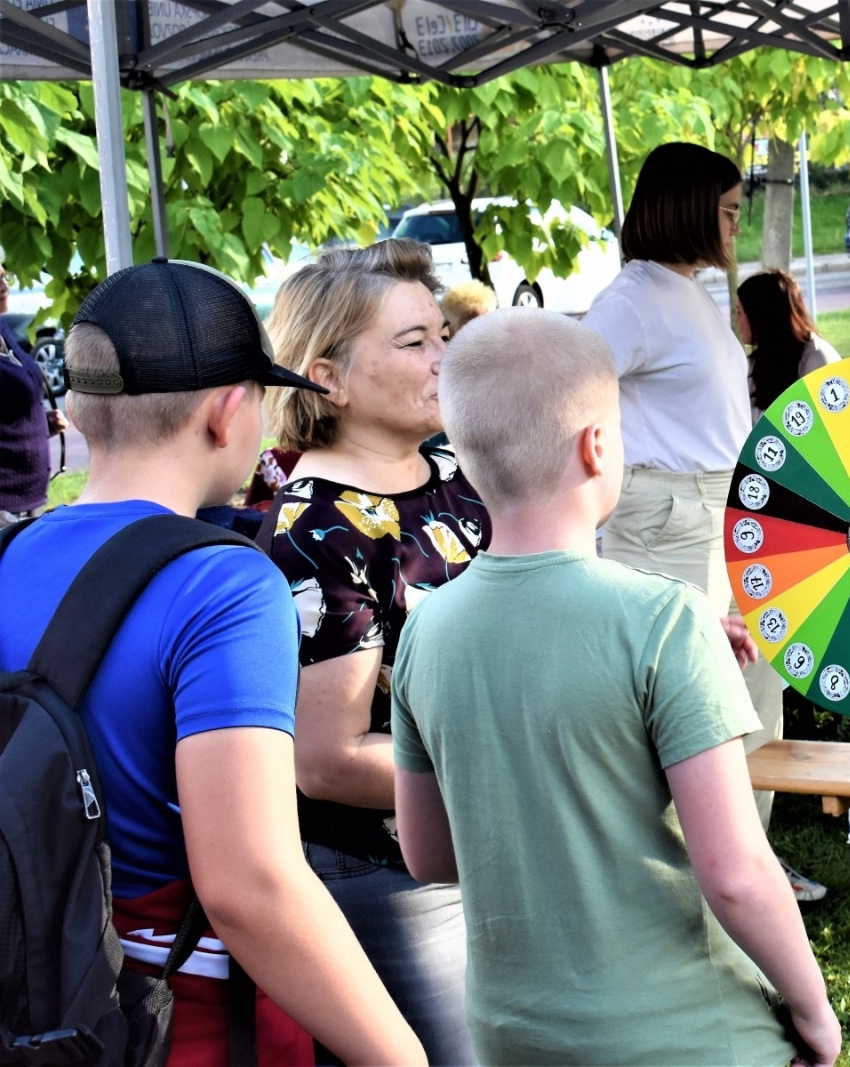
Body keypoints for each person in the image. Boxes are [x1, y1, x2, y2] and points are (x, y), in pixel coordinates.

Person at [0, 258, 425, 1065]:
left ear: (82, 411)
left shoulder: (9, 552)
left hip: (37, 1014)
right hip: (175, 1023)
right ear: (230, 413)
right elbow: (250, 884)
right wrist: (402, 1056)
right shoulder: (223, 584)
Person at [391, 307, 842, 1067]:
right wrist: (814, 1006)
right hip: (690, 1034)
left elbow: (429, 854)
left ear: (465, 459)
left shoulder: (425, 633)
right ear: (598, 446)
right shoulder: (666, 621)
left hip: (514, 1035)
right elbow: (735, 872)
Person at [257, 238, 485, 1062]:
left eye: (441, 334)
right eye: (413, 342)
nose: (443, 357)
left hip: (487, 841)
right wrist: (509, 767)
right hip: (393, 875)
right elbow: (326, 759)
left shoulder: (452, 463)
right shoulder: (319, 529)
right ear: (328, 377)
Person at [583, 142, 824, 902]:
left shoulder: (681, 292)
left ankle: (744, 875)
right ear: (687, 209)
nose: (733, 228)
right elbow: (568, 393)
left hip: (719, 509)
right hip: (671, 517)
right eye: (725, 213)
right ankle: (695, 891)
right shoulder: (632, 300)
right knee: (697, 710)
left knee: (754, 697)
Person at [0, 262, 66, 524]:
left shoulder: (2, 329)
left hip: (29, 500)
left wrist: (42, 423)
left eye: (5, 278)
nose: (4, 288)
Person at [739, 269, 840, 421]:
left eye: (739, 312)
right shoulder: (754, 364)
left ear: (761, 316)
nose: (736, 321)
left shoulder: (817, 359)